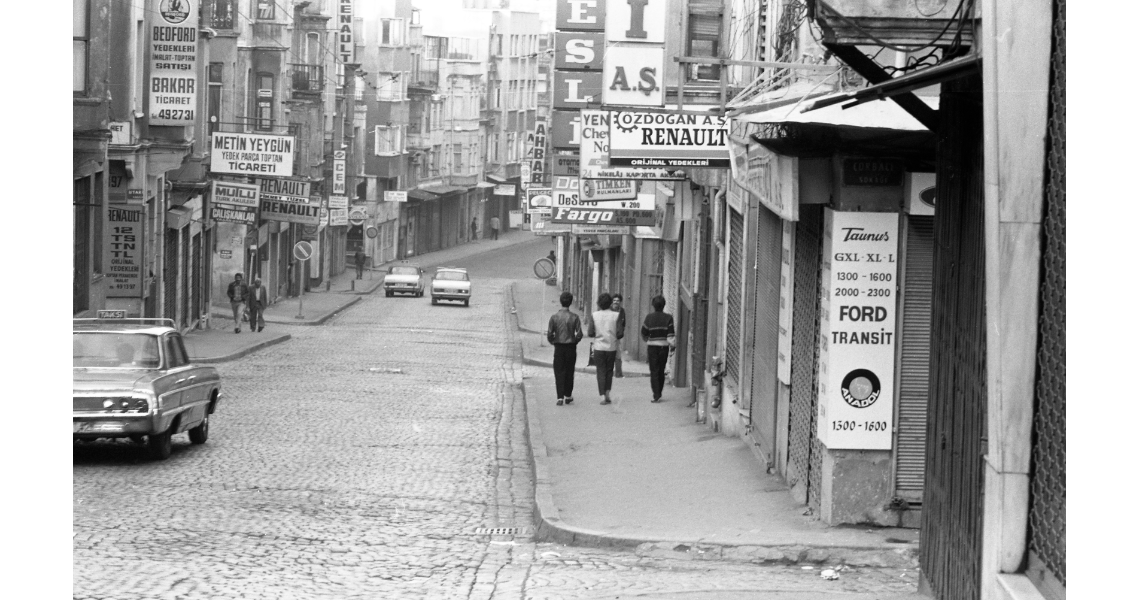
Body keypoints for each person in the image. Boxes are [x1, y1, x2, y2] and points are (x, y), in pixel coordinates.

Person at [545, 291, 584, 407]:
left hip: (559, 347)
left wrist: (554, 341)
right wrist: (574, 340)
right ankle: (568, 395)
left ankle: (559, 397)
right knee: (569, 371)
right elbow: (580, 334)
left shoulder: (554, 317)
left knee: (559, 371)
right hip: (571, 347)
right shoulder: (574, 317)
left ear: (560, 302)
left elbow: (549, 334)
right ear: (570, 302)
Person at [641, 295, 676, 403]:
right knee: (661, 370)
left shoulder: (649, 317)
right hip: (663, 348)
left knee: (654, 370)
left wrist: (649, 340)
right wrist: (672, 346)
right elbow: (670, 335)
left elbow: (644, 332)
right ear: (664, 305)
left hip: (652, 347)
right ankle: (659, 392)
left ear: (653, 305)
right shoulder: (668, 318)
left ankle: (656, 394)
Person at [588, 293, 621, 405]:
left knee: (600, 371)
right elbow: (620, 333)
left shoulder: (594, 315)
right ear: (610, 303)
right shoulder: (616, 315)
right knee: (609, 370)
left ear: (599, 303)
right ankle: (607, 393)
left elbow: (590, 332)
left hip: (598, 347)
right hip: (611, 347)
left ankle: (602, 395)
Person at [611, 293, 627, 378]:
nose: (616, 302)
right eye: (614, 300)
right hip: (609, 335)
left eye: (618, 301)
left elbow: (623, 322)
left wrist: (621, 331)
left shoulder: (622, 311)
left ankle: (618, 373)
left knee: (617, 355)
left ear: (620, 302)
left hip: (617, 336)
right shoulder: (609, 310)